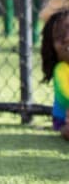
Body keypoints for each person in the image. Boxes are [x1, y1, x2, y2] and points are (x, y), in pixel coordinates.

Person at [41, 8, 69, 141]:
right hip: (64, 119)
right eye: (59, 37)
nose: (67, 38)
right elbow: (66, 96)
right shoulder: (61, 69)